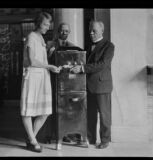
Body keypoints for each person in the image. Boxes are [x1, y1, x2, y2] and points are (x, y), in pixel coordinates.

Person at [20, 12, 60, 153]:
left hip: (42, 76)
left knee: (45, 111)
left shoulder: (40, 37)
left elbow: (39, 59)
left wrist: (48, 53)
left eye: (49, 25)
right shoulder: (31, 36)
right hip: (32, 76)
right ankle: (32, 140)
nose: (47, 27)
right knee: (28, 110)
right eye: (45, 24)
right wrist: (49, 66)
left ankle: (31, 138)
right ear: (38, 24)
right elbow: (31, 61)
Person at [71, 20, 115, 149]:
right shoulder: (88, 45)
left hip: (102, 86)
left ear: (102, 30)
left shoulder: (109, 46)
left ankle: (105, 140)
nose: (91, 33)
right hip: (89, 85)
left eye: (94, 31)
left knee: (104, 115)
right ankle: (90, 139)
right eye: (90, 30)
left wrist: (82, 68)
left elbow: (102, 64)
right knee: (89, 114)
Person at [47, 23, 82, 143]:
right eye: (62, 31)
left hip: (66, 82)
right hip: (52, 80)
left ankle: (64, 133)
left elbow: (76, 61)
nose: (64, 33)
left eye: (66, 31)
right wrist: (50, 53)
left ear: (69, 33)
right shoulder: (49, 44)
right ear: (58, 31)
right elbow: (44, 61)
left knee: (65, 108)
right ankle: (52, 135)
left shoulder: (73, 46)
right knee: (52, 108)